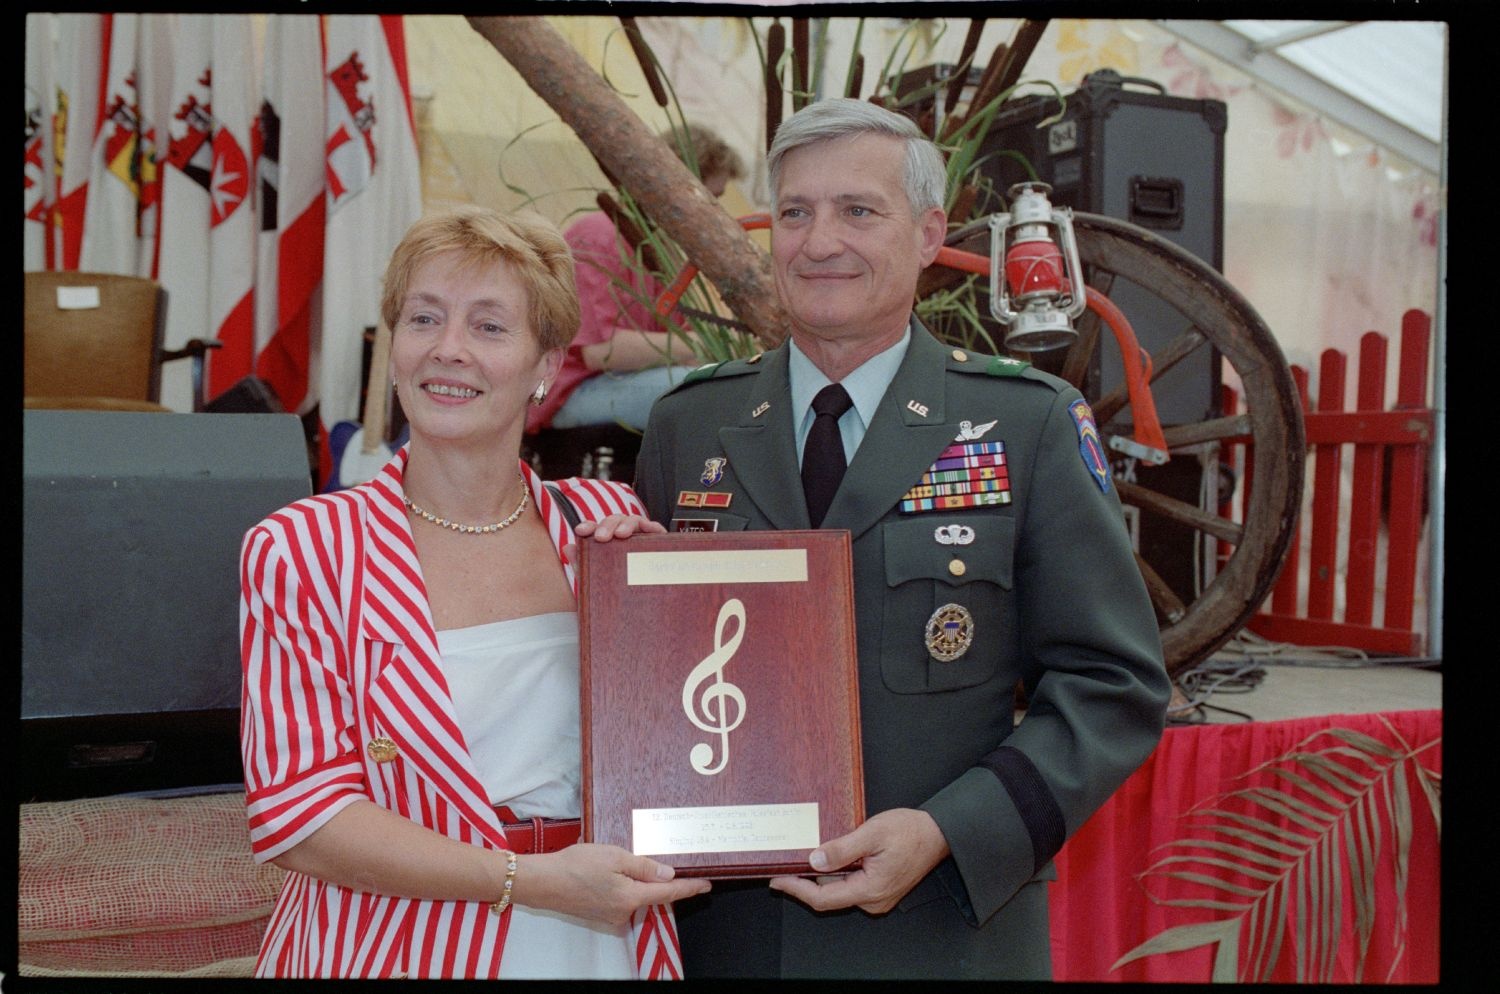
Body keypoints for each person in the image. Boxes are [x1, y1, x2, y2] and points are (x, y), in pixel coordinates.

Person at [628, 98, 1172, 978]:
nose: (819, 240)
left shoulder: (1021, 425)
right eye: (796, 212)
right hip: (727, 941)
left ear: (927, 234)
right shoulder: (693, 423)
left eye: (858, 210)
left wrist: (949, 832)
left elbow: (1113, 683)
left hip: (939, 932)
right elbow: (650, 673)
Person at [238, 205, 710, 979]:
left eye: (489, 328)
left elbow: (685, 742)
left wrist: (670, 620)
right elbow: (304, 819)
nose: (448, 350)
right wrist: (527, 881)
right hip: (389, 945)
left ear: (546, 367)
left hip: (600, 948)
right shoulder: (302, 548)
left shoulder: (606, 524)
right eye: (424, 319)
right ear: (395, 349)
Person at [527, 123, 746, 435]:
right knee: (707, 393)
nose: (714, 210)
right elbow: (601, 351)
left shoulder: (663, 249)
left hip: (621, 383)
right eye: (710, 197)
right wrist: (698, 343)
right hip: (571, 391)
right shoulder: (599, 236)